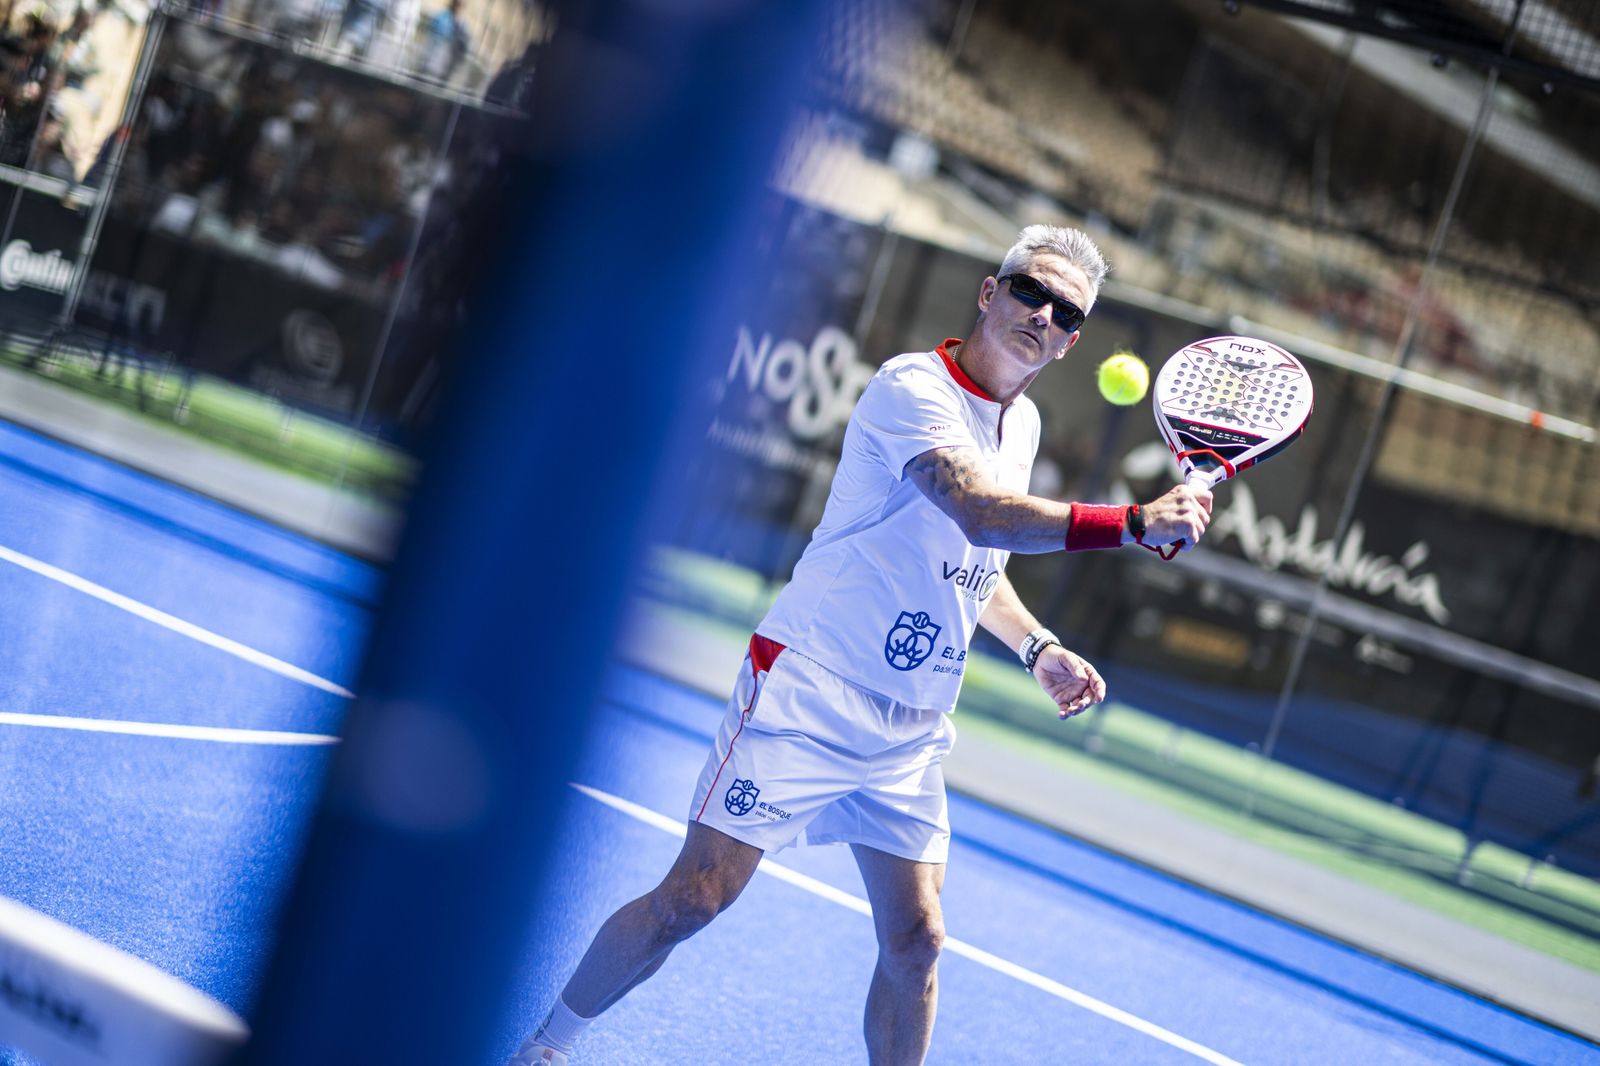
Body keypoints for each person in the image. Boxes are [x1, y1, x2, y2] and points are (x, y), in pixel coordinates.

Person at [508, 225, 1213, 1066]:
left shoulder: (1018, 428)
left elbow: (973, 564)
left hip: (911, 726)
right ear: (990, 293)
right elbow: (977, 510)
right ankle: (545, 1048)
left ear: (1071, 343)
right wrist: (1132, 523)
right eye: (1030, 290)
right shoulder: (911, 385)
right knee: (693, 900)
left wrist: (1038, 648)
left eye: (1066, 313)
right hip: (810, 686)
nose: (1043, 314)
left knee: (918, 940)